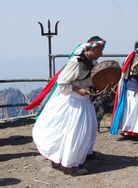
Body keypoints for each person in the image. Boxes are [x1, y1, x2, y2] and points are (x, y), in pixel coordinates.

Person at [32, 36, 106, 175]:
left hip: (85, 101)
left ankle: (82, 154)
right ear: (92, 48)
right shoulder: (76, 62)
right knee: (74, 133)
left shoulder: (93, 61)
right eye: (100, 49)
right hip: (73, 103)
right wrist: (79, 90)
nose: (102, 53)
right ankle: (70, 164)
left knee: (87, 131)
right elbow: (62, 83)